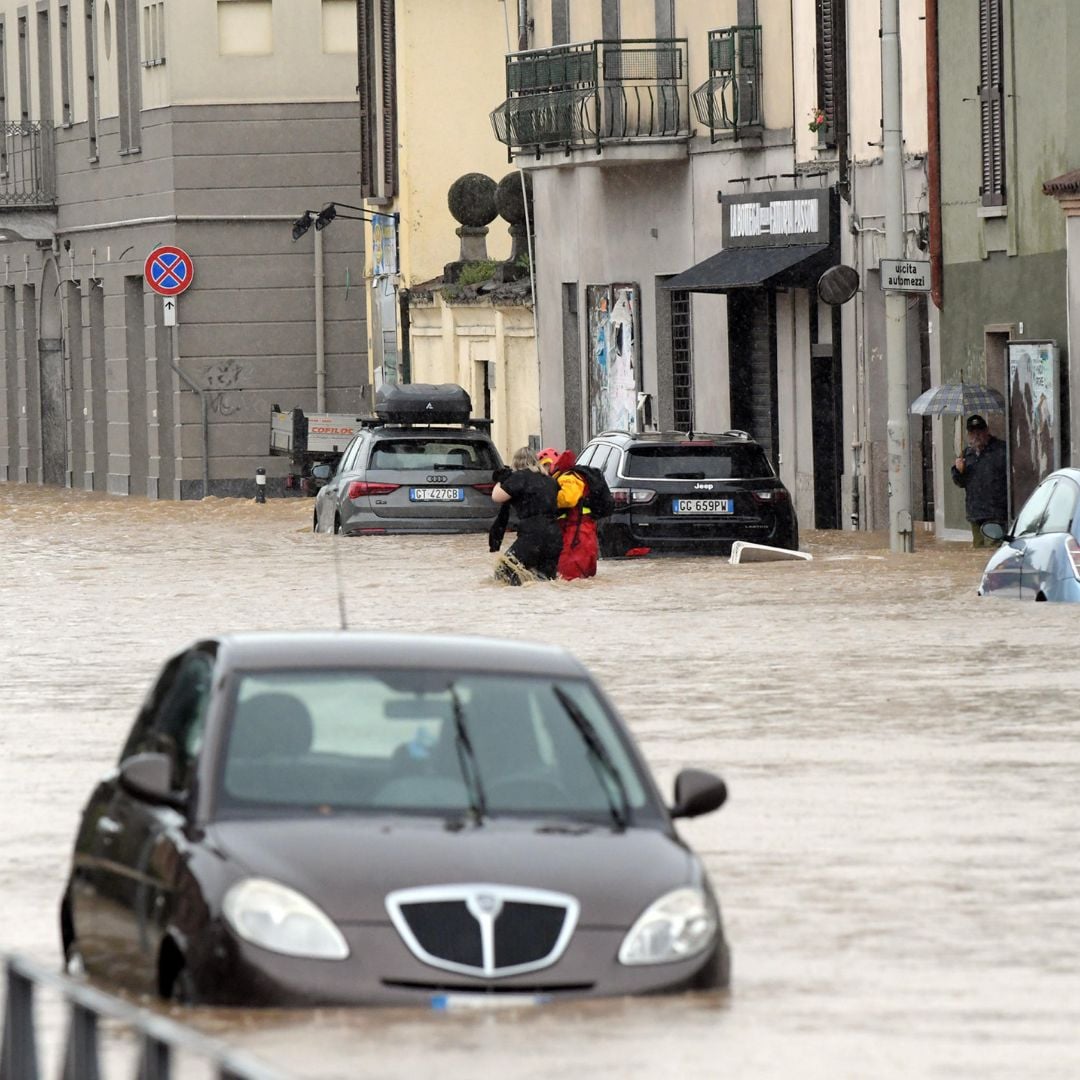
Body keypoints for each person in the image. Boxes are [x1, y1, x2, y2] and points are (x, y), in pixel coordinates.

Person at [489, 447, 562, 585]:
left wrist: (500, 480)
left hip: (532, 536)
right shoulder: (550, 480)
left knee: (503, 573)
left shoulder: (520, 477)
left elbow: (497, 497)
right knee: (546, 581)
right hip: (554, 537)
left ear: (516, 463)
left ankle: (520, 604)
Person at [539, 448, 599, 581]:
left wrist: (547, 499)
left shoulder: (568, 477)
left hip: (578, 535)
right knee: (576, 580)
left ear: (549, 464)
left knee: (569, 578)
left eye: (543, 467)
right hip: (579, 534)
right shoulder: (563, 476)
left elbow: (568, 499)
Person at [950, 414, 1008, 547]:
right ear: (968, 435)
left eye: (979, 431)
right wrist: (958, 471)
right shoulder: (966, 455)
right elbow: (960, 482)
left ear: (986, 431)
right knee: (978, 549)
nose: (976, 435)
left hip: (995, 513)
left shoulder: (1001, 450)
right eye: (972, 432)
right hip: (975, 513)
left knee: (993, 548)